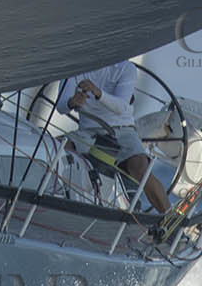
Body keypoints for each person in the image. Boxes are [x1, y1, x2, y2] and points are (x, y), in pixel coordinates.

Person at [56, 60, 169, 212]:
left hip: (123, 130)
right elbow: (61, 106)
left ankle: (169, 219)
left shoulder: (126, 68)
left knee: (140, 167)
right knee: (55, 150)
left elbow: (121, 107)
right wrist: (71, 102)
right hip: (88, 132)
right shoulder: (74, 65)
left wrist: (99, 93)